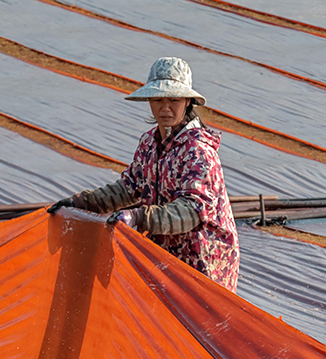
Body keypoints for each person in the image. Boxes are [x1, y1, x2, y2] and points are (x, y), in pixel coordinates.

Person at [49, 57, 239, 293]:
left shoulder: (198, 151)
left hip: (204, 261)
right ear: (149, 101)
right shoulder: (149, 144)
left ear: (187, 102)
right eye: (158, 99)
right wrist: (82, 203)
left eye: (174, 100)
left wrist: (140, 217)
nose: (165, 107)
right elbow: (128, 187)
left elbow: (191, 211)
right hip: (167, 255)